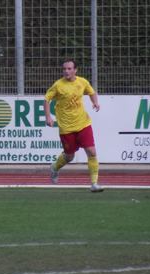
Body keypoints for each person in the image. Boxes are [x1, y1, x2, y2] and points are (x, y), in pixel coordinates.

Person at [43, 60, 105, 193]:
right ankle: (54, 167)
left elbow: (91, 92)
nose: (66, 71)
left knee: (91, 152)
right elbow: (47, 99)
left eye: (69, 69)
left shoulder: (82, 82)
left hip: (83, 123)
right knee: (69, 157)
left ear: (75, 70)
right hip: (66, 127)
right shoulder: (58, 85)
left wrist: (95, 102)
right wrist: (48, 116)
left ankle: (94, 183)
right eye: (64, 69)